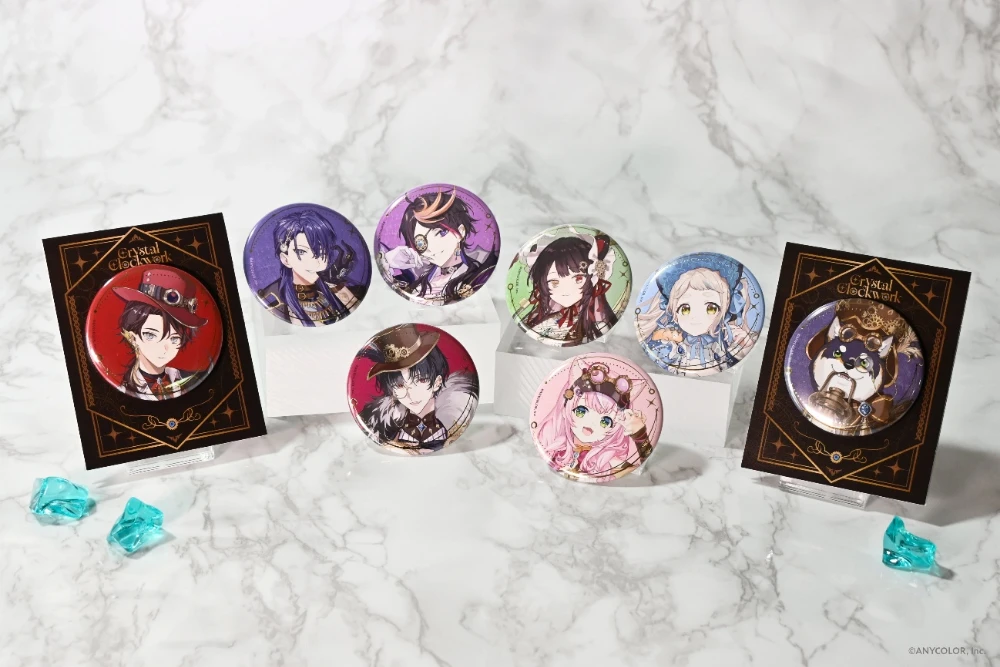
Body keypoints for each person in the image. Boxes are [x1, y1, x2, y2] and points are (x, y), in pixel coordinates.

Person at [359, 324, 479, 453]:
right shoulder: (389, 434)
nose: (411, 395)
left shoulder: (453, 424)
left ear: (437, 382)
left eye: (421, 380)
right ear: (393, 391)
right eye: (400, 385)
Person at [381, 189, 498, 304]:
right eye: (421, 242)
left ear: (461, 232)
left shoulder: (475, 277)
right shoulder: (419, 283)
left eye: (440, 233)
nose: (430, 248)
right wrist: (388, 262)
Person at [113, 266, 209, 400]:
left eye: (174, 339)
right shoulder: (122, 389)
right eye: (151, 335)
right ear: (133, 338)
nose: (164, 348)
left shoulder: (191, 379)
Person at [257, 209, 365, 326]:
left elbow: (359, 319)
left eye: (320, 249)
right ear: (285, 259)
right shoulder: (272, 298)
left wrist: (335, 284)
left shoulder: (342, 286)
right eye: (302, 251)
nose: (314, 257)